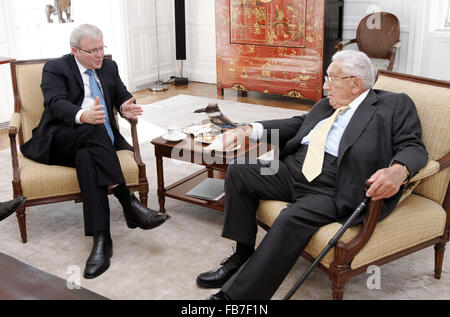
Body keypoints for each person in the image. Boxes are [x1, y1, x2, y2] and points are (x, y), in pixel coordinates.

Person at [196, 50, 428, 300]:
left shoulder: (393, 105)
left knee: (289, 219)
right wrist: (247, 129)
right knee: (240, 171)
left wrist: (398, 170)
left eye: (331, 78)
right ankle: (241, 255)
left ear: (355, 83)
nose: (324, 84)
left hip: (333, 186)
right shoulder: (327, 103)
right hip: (293, 168)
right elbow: (299, 124)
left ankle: (236, 299)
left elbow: (413, 147)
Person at [20, 24, 170, 279]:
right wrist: (83, 115)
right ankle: (127, 200)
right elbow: (56, 104)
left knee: (87, 157)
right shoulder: (56, 68)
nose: (99, 55)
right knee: (94, 127)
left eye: (102, 48)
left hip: (94, 145)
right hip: (60, 138)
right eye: (93, 51)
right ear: (75, 51)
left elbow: (122, 95)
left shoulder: (109, 67)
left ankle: (102, 240)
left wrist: (125, 108)